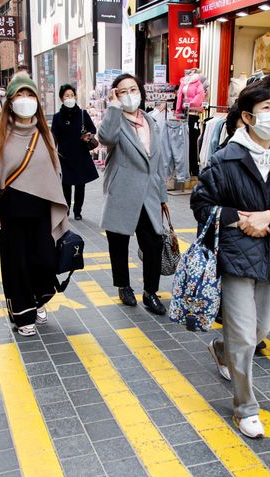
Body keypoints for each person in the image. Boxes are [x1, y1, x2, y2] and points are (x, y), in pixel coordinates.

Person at [191, 81, 270, 438]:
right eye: (267, 108)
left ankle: (220, 348)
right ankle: (245, 407)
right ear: (247, 116)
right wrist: (239, 219)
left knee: (262, 329)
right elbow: (201, 204)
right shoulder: (225, 158)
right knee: (245, 335)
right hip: (235, 254)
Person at [0, 74, 69, 337]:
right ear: (10, 101)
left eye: (30, 95)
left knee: (44, 260)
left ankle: (38, 298)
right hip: (10, 210)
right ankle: (23, 313)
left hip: (41, 210)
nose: (25, 101)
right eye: (20, 95)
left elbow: (56, 173)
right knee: (16, 263)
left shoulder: (45, 134)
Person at [97, 73, 168, 315]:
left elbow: (159, 161)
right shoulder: (115, 119)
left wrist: (163, 197)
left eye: (133, 89)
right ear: (115, 95)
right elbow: (105, 137)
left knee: (154, 243)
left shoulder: (151, 120)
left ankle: (150, 292)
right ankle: (123, 285)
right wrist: (113, 107)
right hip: (123, 190)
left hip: (149, 194)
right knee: (118, 242)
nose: (129, 95)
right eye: (123, 91)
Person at [50, 83, 99, 220]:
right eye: (67, 95)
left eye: (72, 95)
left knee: (80, 185)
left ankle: (78, 211)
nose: (70, 98)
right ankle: (66, 211)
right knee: (65, 185)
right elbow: (53, 137)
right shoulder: (57, 117)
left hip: (81, 155)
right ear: (62, 98)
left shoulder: (83, 114)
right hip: (64, 156)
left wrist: (88, 135)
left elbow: (92, 129)